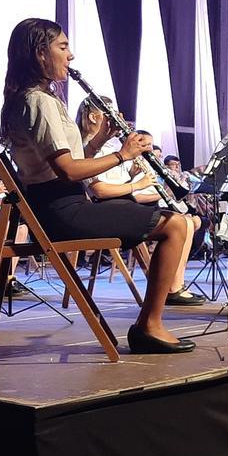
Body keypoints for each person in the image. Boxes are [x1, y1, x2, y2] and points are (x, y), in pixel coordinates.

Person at [0, 18, 195, 354]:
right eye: (62, 47)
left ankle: (150, 324)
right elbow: (67, 171)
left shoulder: (27, 99)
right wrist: (122, 154)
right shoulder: (39, 102)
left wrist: (100, 141)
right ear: (40, 54)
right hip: (63, 213)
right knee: (176, 224)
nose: (70, 55)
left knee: (171, 220)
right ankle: (150, 325)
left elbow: (64, 163)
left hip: (55, 207)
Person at [75, 96, 205, 307]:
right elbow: (99, 190)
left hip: (120, 203)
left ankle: (176, 286)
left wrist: (132, 174)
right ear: (92, 116)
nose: (114, 120)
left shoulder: (107, 146)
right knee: (181, 223)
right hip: (103, 210)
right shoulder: (84, 147)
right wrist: (138, 184)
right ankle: (169, 291)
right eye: (109, 115)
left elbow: (113, 183)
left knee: (187, 222)